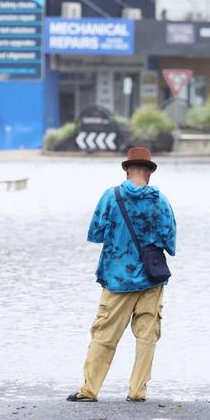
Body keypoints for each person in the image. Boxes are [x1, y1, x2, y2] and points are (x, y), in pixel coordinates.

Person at [67, 147, 177, 403]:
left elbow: (95, 233)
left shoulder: (111, 196)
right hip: (152, 279)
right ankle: (137, 392)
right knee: (146, 336)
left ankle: (89, 390)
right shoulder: (160, 201)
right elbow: (170, 242)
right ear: (149, 173)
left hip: (117, 279)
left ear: (127, 170)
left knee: (104, 335)